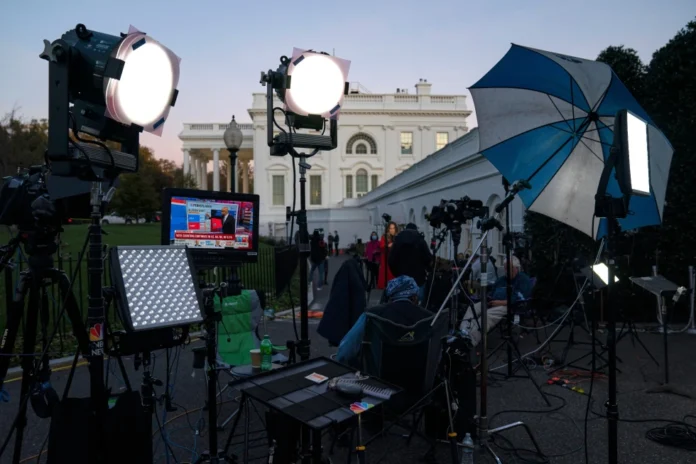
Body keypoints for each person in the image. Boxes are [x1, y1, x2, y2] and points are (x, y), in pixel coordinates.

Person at [336, 275, 433, 368]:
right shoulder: (431, 318)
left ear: (390, 297)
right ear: (415, 297)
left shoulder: (372, 314)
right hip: (419, 382)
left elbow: (345, 351)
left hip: (377, 381)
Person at [459, 255, 533, 347]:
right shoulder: (502, 280)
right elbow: (492, 291)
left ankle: (471, 341)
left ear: (517, 268)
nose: (507, 271)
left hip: (509, 305)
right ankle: (463, 333)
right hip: (493, 302)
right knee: (472, 308)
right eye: (506, 268)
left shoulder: (523, 279)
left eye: (510, 268)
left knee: (487, 316)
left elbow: (520, 298)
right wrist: (489, 299)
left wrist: (500, 302)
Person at [388, 224, 432, 304]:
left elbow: (391, 260)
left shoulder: (398, 241)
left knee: (401, 304)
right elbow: (428, 258)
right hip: (419, 278)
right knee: (419, 305)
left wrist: (397, 273)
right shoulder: (420, 240)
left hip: (402, 278)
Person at [377, 222, 399, 290]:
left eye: (393, 228)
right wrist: (388, 245)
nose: (392, 230)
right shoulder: (385, 237)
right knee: (387, 276)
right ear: (388, 229)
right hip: (386, 259)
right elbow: (381, 246)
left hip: (395, 259)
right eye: (390, 228)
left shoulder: (397, 236)